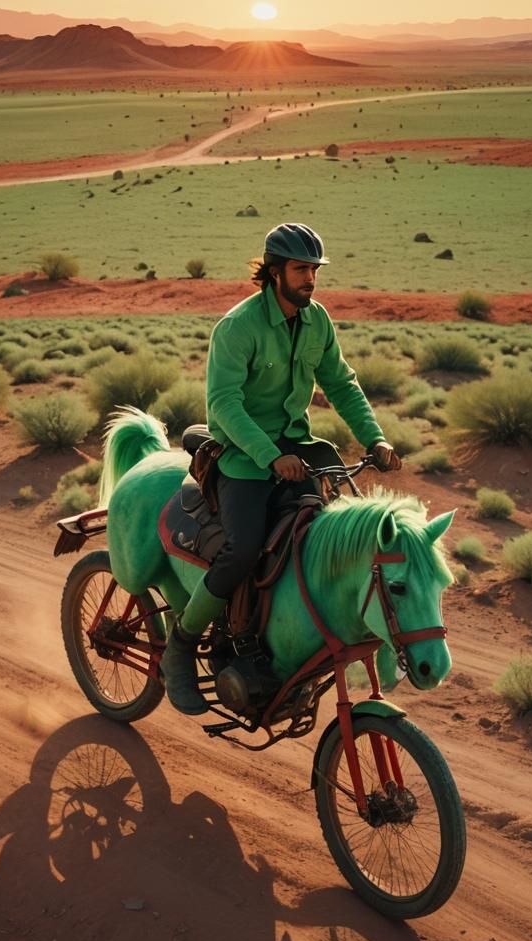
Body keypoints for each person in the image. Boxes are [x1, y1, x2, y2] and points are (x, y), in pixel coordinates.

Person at [160, 223, 402, 715]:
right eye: (300, 269)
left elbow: (342, 384)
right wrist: (271, 456)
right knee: (243, 548)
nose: (310, 278)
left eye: (314, 269)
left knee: (343, 534)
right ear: (274, 272)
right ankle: (182, 644)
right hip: (244, 458)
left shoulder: (318, 321)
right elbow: (224, 404)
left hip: (299, 448)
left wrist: (374, 437)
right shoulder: (238, 327)